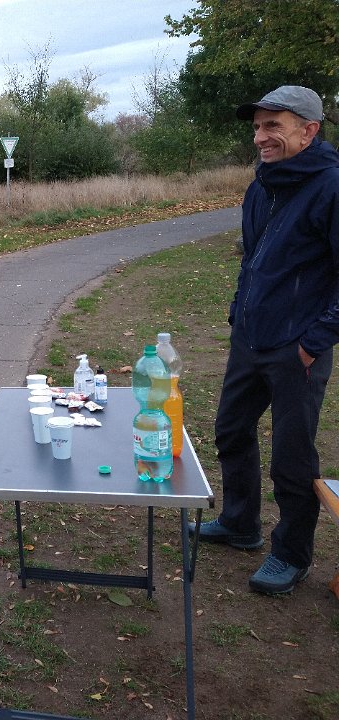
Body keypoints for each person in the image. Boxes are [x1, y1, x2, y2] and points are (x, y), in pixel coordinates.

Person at [189, 86, 339, 594]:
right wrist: (239, 311)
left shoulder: (331, 187)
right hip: (250, 339)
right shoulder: (262, 186)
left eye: (273, 125)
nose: (260, 137)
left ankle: (291, 555)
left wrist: (312, 342)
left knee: (292, 456)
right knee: (231, 429)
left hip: (297, 348)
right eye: (257, 127)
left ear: (309, 130)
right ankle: (240, 523)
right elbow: (252, 260)